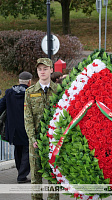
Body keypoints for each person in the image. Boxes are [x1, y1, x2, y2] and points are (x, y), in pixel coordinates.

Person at [24, 58, 59, 200]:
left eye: (45, 69)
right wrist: (33, 139)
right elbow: (28, 118)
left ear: (51, 70)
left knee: (53, 178)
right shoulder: (30, 92)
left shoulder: (59, 91)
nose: (42, 71)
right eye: (40, 69)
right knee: (36, 179)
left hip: (54, 142)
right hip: (36, 143)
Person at [0, 71, 32, 183]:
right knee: (27, 150)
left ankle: (20, 172)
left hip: (12, 129)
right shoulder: (30, 93)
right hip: (26, 127)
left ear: (19, 81)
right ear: (29, 82)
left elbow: (1, 106)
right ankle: (22, 175)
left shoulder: (9, 92)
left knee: (17, 149)